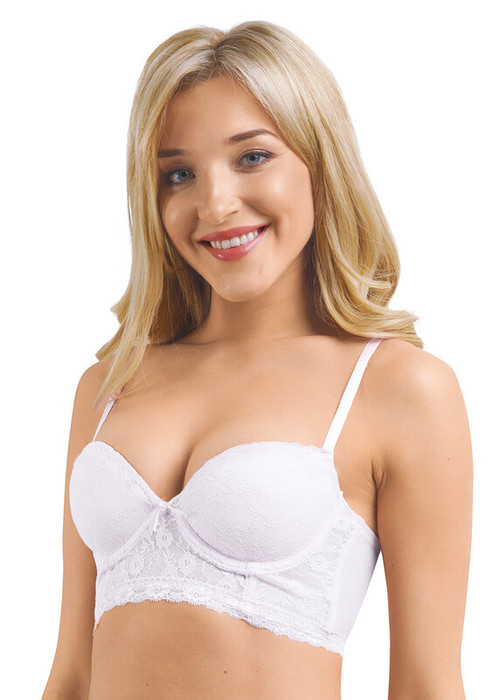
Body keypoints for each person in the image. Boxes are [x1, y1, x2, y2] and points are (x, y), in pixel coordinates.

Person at [42, 20, 473, 700]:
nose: (215, 204)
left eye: (252, 157)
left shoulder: (399, 388)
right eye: (179, 174)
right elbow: (71, 673)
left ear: (319, 163)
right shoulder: (109, 385)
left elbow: (426, 685)